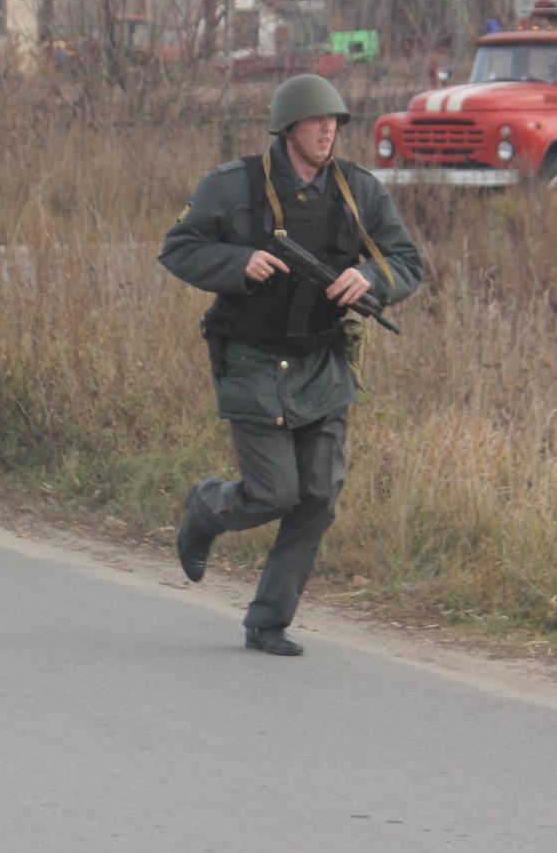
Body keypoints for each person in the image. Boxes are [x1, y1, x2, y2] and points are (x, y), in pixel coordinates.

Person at [160, 74, 423, 656]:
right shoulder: (235, 187)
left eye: (334, 122)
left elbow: (408, 260)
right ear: (288, 128)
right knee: (273, 492)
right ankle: (206, 508)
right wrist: (239, 260)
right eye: (315, 121)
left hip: (321, 360)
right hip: (252, 360)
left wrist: (372, 278)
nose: (328, 130)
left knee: (320, 495)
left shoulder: (357, 191)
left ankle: (268, 620)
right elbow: (177, 248)